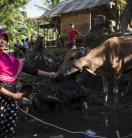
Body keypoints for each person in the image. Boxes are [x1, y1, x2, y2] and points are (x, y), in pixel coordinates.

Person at [0, 28, 58, 138]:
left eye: (4, 39)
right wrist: (12, 95)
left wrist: (50, 74)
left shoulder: (10, 59)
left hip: (11, 99)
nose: (2, 41)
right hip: (4, 98)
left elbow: (29, 69)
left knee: (8, 129)